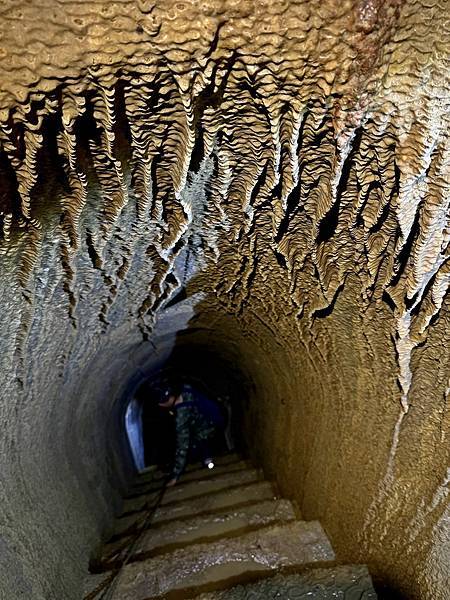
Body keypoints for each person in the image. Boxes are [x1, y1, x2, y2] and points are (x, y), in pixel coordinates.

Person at [158, 382, 224, 486]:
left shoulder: (182, 415)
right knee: (197, 439)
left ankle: (208, 461)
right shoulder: (186, 389)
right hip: (218, 414)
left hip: (210, 425)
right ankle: (205, 458)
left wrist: (175, 475)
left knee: (196, 443)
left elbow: (182, 445)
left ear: (163, 404)